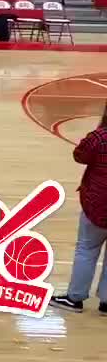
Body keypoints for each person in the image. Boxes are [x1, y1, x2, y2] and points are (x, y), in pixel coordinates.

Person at [52, 102, 107, 313]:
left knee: (87, 248)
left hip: (97, 202)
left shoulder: (99, 137)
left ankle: (75, 298)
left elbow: (79, 155)